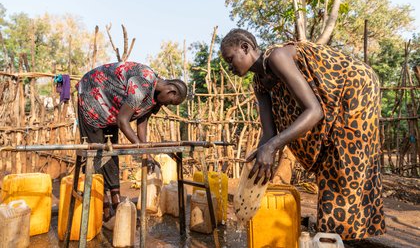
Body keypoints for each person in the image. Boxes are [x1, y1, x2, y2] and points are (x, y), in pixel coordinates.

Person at [220, 29, 385, 240]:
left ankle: (335, 237)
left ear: (245, 47)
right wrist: (260, 156)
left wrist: (271, 147)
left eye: (230, 59)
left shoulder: (277, 57)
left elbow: (314, 111)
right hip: (330, 104)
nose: (230, 67)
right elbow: (269, 132)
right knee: (330, 167)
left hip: (354, 88)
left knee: (342, 165)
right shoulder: (259, 83)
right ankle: (333, 238)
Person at [76, 61, 187, 227]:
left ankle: (118, 205)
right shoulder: (142, 83)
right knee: (97, 155)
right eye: (170, 102)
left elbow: (141, 125)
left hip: (111, 110)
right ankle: (104, 211)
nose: (166, 105)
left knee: (111, 153)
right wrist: (141, 150)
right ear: (171, 90)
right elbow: (123, 121)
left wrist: (147, 153)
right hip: (92, 97)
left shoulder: (156, 97)